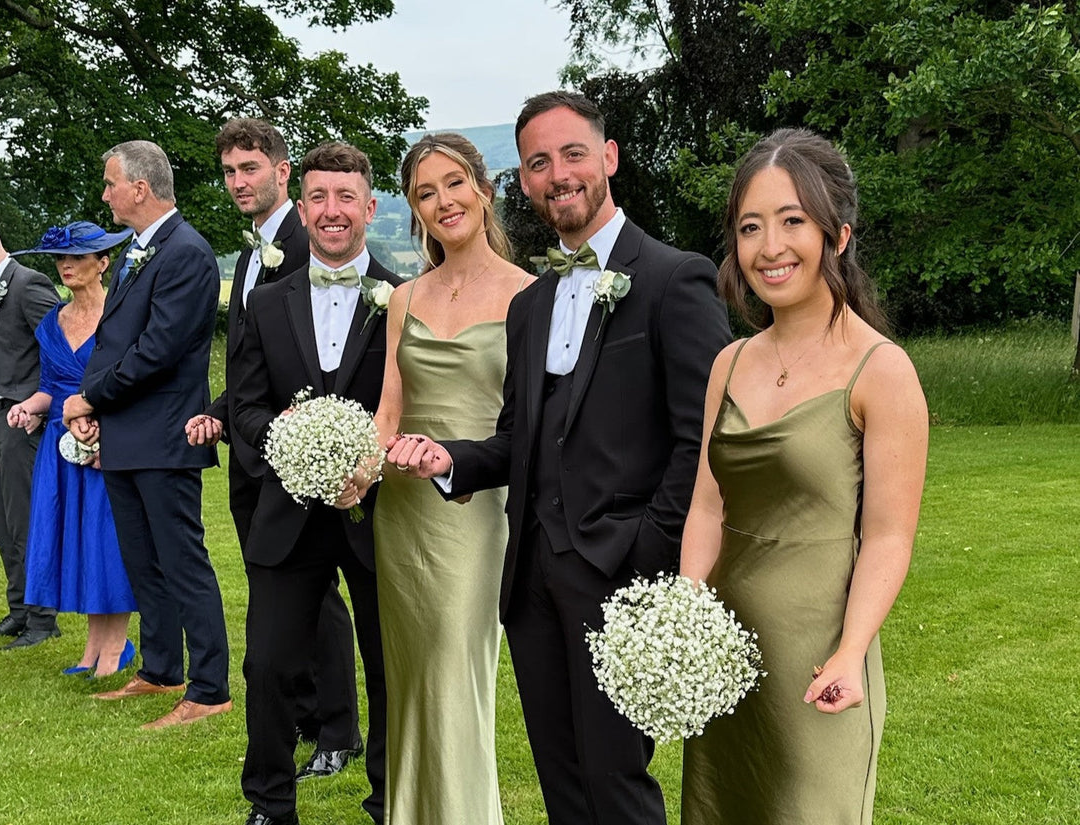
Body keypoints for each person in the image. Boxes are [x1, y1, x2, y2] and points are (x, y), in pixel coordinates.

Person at [386, 92, 733, 825]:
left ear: (607, 158)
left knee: (617, 784)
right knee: (563, 785)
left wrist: (647, 550)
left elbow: (702, 440)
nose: (557, 174)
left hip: (622, 575)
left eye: (572, 154)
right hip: (532, 580)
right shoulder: (532, 304)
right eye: (538, 163)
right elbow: (520, 438)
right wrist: (445, 458)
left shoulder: (677, 278)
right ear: (523, 181)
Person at [677, 128, 929, 824]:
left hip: (820, 660)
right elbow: (705, 506)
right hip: (727, 658)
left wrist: (851, 651)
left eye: (793, 221)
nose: (770, 246)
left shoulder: (881, 370)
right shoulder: (728, 364)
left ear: (837, 233)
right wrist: (688, 619)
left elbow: (887, 535)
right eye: (751, 227)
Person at [185, 118, 362, 777]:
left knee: (319, 602)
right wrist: (221, 412)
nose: (238, 182)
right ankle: (305, 721)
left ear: (282, 172)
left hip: (309, 465)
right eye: (229, 171)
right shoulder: (254, 249)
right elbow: (257, 362)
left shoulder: (304, 238)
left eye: (249, 169)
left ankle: (338, 730)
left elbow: (323, 360)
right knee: (280, 610)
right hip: (255, 454)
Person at [231, 141, 402, 825]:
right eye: (320, 198)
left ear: (370, 206)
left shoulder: (404, 298)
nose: (333, 212)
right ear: (302, 209)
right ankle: (270, 803)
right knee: (267, 665)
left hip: (381, 516)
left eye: (346, 198)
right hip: (288, 512)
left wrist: (372, 463)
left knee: (391, 668)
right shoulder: (267, 304)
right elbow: (240, 403)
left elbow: (417, 406)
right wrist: (286, 434)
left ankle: (391, 797)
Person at [369, 133, 533, 824]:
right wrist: (356, 473)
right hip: (401, 516)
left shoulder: (531, 296)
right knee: (409, 680)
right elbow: (388, 409)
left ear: (485, 189)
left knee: (453, 670)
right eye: (425, 193)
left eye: (454, 183)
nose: (443, 201)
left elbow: (527, 426)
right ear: (414, 211)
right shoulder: (405, 297)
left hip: (475, 512)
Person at [62, 140, 231, 729]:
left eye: (111, 183)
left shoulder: (186, 251)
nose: (105, 194)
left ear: (140, 187)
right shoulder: (139, 249)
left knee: (182, 561)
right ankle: (162, 671)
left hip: (165, 433)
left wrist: (91, 397)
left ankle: (211, 689)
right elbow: (111, 340)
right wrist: (91, 406)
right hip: (126, 433)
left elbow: (159, 350)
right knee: (144, 562)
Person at [7, 221, 138, 677]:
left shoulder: (120, 317)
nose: (67, 266)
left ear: (103, 264)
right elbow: (50, 387)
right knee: (76, 543)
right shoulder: (51, 322)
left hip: (108, 442)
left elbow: (133, 381)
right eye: (61, 259)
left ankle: (117, 646)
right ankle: (93, 649)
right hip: (59, 449)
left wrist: (104, 425)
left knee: (107, 543)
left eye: (78, 258)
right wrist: (29, 406)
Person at [0, 211, 60, 648]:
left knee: (26, 518)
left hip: (19, 416)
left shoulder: (27, 284)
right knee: (1, 522)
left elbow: (60, 347)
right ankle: (18, 611)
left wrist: (38, 406)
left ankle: (44, 619)